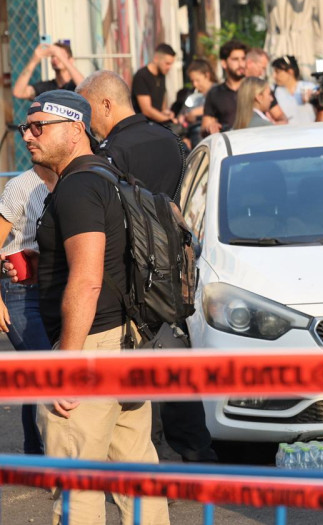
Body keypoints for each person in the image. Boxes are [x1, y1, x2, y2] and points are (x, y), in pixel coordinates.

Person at [23, 90, 169, 524]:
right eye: (24, 128)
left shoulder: (78, 187)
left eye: (39, 127)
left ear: (75, 128)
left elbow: (87, 281)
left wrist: (66, 364)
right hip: (125, 344)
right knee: (138, 478)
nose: (28, 136)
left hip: (89, 348)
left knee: (77, 488)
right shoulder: (109, 175)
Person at [75, 72, 217, 464]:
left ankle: (153, 464)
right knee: (175, 366)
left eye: (87, 110)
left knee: (139, 375)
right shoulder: (171, 140)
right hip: (172, 270)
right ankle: (198, 457)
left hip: (129, 275)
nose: (85, 123)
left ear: (105, 104)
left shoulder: (108, 152)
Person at [0, 164, 57, 457]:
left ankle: (34, 452)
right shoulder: (20, 186)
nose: (29, 138)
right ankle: (47, 455)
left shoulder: (74, 180)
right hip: (21, 292)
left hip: (57, 289)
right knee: (46, 367)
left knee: (38, 372)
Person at [78, 71, 187, 198]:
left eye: (88, 111)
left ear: (106, 106)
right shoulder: (170, 137)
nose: (87, 121)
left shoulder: (111, 151)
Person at [202, 39, 249, 134]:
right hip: (230, 146)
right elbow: (204, 127)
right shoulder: (215, 93)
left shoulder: (256, 88)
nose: (241, 64)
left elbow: (281, 118)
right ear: (224, 63)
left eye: (243, 59)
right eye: (235, 59)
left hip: (256, 144)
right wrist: (210, 128)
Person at [12, 41, 84, 100]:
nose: (55, 58)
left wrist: (61, 56)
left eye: (60, 55)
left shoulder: (76, 85)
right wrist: (34, 60)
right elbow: (18, 92)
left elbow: (85, 87)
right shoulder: (46, 88)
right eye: (52, 56)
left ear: (71, 60)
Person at [130, 43, 176, 124]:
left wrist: (167, 113)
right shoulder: (142, 76)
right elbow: (146, 110)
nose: (169, 67)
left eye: (171, 64)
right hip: (143, 126)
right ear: (156, 58)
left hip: (156, 125)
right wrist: (168, 120)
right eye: (167, 63)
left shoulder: (162, 74)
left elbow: (161, 106)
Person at [271, 55, 318, 125]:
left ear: (290, 72)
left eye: (277, 72)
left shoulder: (308, 86)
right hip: (286, 133)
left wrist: (313, 97)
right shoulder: (273, 91)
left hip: (309, 132)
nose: (274, 76)